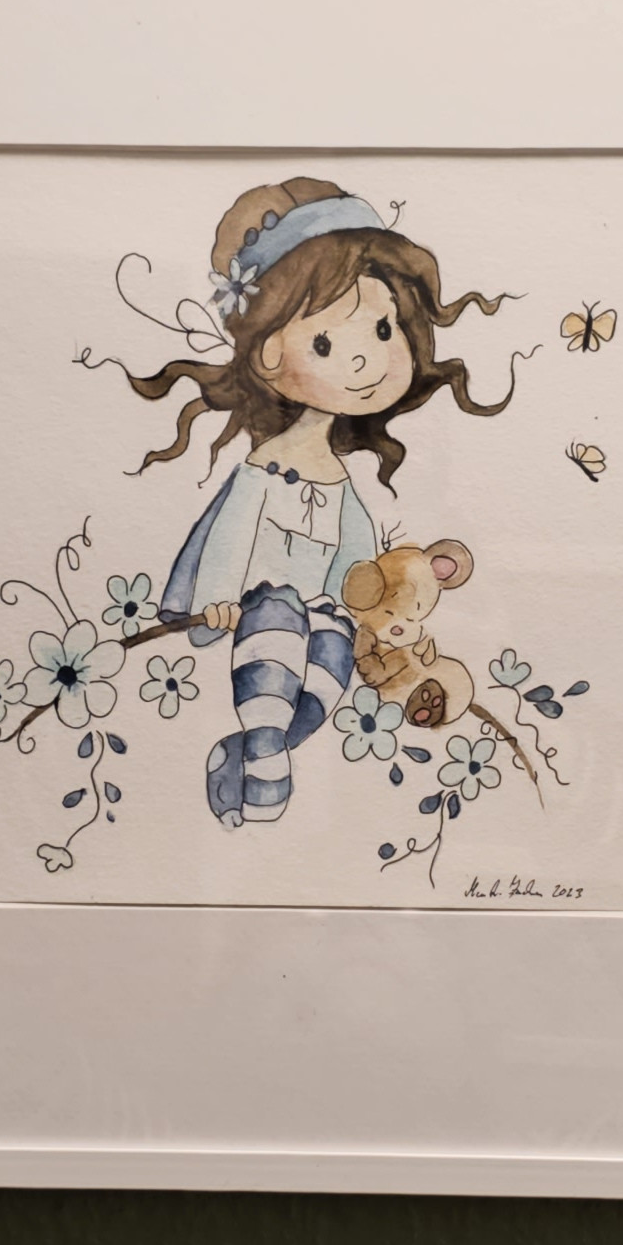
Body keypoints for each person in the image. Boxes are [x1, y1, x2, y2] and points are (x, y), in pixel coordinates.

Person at [122, 179, 515, 827]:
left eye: (383, 329)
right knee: (276, 643)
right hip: (264, 603)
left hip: (323, 609)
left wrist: (375, 613)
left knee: (330, 667)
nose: (367, 360)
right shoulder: (264, 467)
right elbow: (230, 535)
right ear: (271, 350)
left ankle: (252, 751)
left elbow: (355, 568)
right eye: (327, 344)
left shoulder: (339, 481)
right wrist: (218, 598)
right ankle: (265, 774)